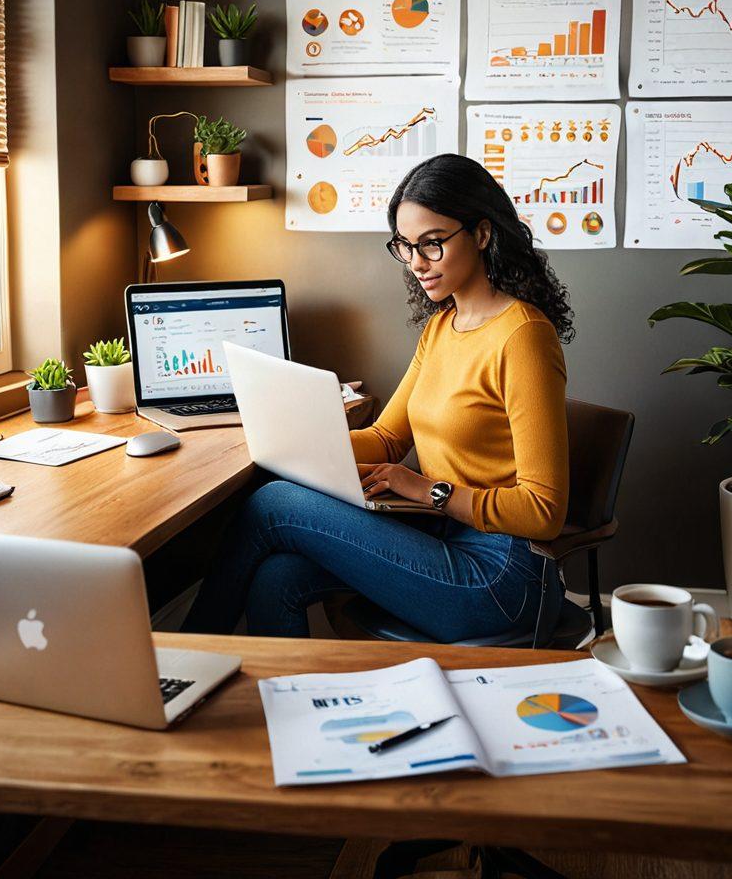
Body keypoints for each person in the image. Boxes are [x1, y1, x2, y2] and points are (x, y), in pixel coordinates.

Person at [183, 154, 574, 642]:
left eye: (432, 245)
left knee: (274, 502)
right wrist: (296, 443)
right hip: (441, 540)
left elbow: (543, 511)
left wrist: (424, 489)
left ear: (481, 234)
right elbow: (387, 438)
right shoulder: (442, 327)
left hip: (502, 576)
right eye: (406, 247)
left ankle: (185, 656)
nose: (416, 263)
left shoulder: (523, 337)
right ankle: (289, 708)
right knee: (277, 577)